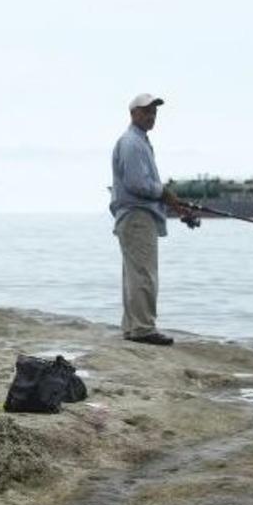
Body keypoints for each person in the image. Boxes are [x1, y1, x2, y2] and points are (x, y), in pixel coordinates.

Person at [110, 93, 185, 346]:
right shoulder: (132, 143)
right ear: (133, 113)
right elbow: (137, 183)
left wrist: (166, 197)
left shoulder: (138, 141)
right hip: (137, 216)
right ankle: (143, 329)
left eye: (154, 112)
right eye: (146, 111)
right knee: (144, 274)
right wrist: (164, 192)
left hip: (133, 215)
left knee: (134, 274)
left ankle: (133, 327)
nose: (151, 116)